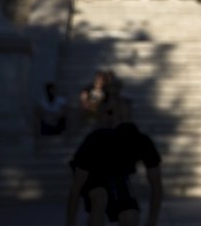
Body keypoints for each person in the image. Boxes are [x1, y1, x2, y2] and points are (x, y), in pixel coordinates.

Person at [65, 96, 162, 226]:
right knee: (99, 198)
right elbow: (76, 186)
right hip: (94, 176)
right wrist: (70, 222)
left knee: (130, 217)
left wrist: (151, 222)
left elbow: (156, 186)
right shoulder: (97, 140)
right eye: (118, 114)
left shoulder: (141, 142)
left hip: (118, 177)